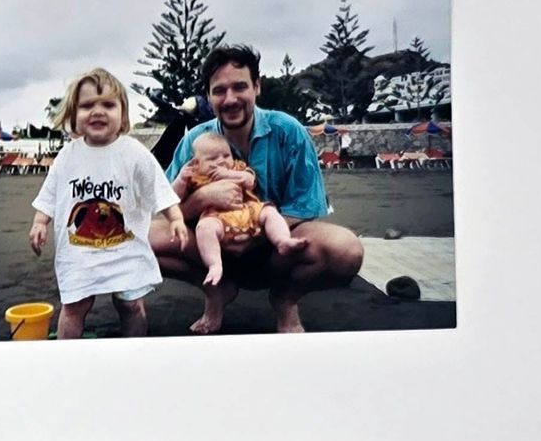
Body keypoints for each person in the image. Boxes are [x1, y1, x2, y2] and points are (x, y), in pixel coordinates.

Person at [152, 44, 364, 334]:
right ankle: (218, 291)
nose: (230, 99)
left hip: (276, 250)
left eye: (240, 87)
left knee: (345, 249)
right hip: (211, 247)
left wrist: (253, 234)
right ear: (208, 95)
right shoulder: (195, 141)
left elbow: (305, 206)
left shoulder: (288, 131)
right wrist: (201, 199)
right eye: (219, 90)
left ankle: (285, 299)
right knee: (137, 239)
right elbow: (168, 208)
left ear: (256, 87)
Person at [29, 68, 188, 339]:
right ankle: (67, 355)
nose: (98, 111)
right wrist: (40, 222)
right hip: (79, 251)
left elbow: (157, 188)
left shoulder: (134, 153)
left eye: (108, 104)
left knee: (131, 304)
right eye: (87, 105)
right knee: (74, 306)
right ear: (73, 115)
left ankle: (133, 349)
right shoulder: (68, 156)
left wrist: (175, 217)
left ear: (123, 114)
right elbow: (51, 193)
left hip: (123, 248)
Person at [173, 131, 308, 296]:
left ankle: (282, 241)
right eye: (212, 159)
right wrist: (180, 180)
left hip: (248, 211)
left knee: (270, 212)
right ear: (196, 163)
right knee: (205, 228)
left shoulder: (236, 167)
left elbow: (250, 180)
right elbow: (173, 199)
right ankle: (215, 265)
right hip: (216, 218)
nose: (222, 161)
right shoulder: (194, 175)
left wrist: (229, 174)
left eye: (226, 155)